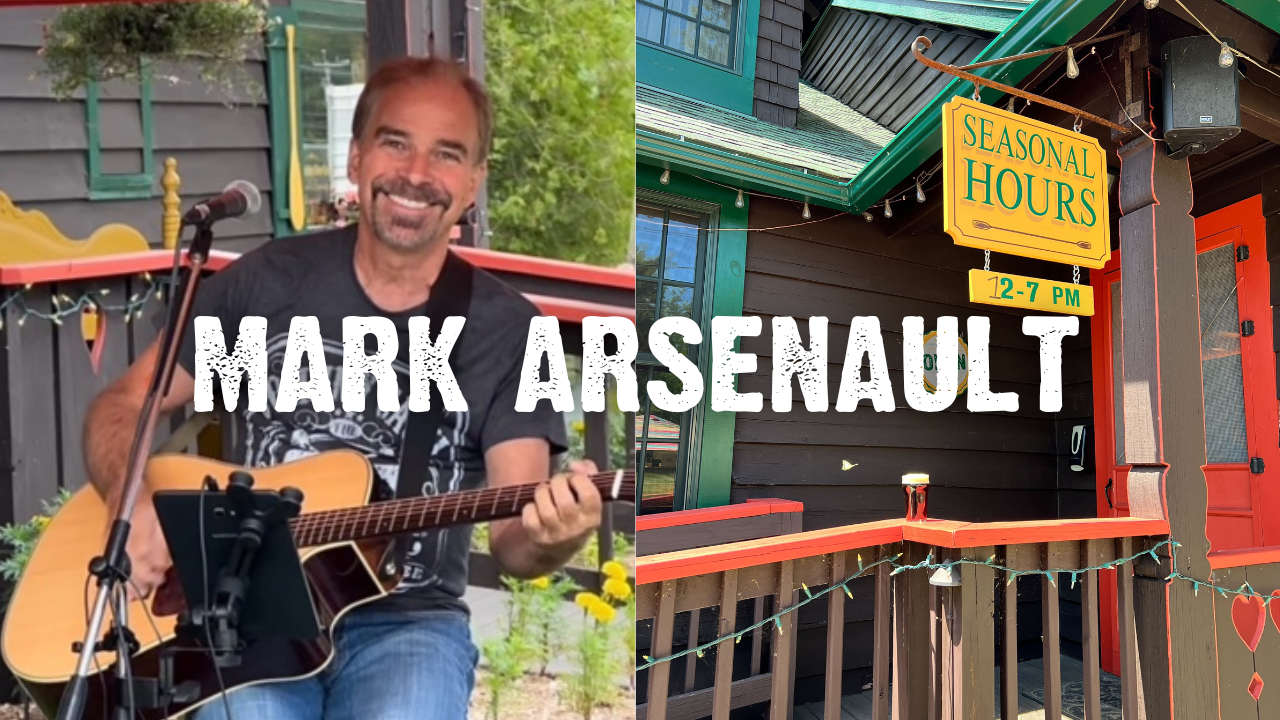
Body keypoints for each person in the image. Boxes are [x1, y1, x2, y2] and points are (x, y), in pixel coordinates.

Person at [81, 56, 602, 720]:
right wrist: (137, 506)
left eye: (447, 154)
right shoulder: (267, 287)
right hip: (245, 613)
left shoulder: (507, 331)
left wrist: (557, 535)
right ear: (356, 158)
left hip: (408, 624)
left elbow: (513, 539)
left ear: (473, 184)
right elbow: (125, 402)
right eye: (395, 143)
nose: (417, 174)